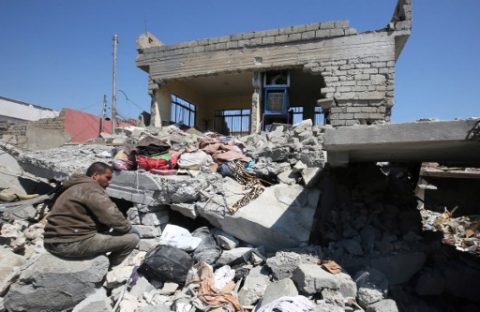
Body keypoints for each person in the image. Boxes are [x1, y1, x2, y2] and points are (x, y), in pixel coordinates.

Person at [44, 162, 139, 266]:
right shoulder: (91, 188)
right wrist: (128, 229)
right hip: (69, 243)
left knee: (108, 231)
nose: (109, 183)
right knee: (132, 239)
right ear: (95, 176)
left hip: (52, 241)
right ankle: (108, 268)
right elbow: (111, 214)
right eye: (107, 178)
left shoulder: (75, 186)